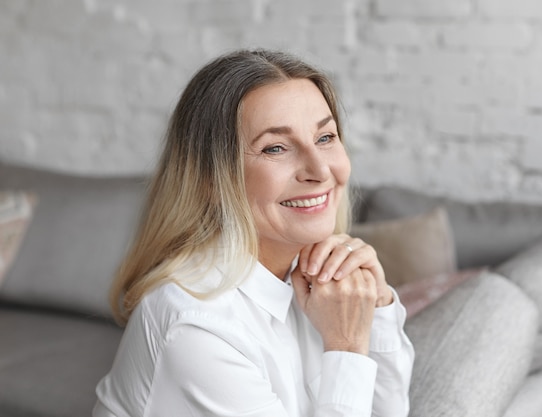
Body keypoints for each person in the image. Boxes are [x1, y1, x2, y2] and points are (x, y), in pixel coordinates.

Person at [93, 49, 414, 417]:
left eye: (325, 137)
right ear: (209, 179)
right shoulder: (197, 326)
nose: (320, 170)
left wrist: (377, 305)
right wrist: (347, 346)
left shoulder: (320, 285)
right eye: (276, 147)